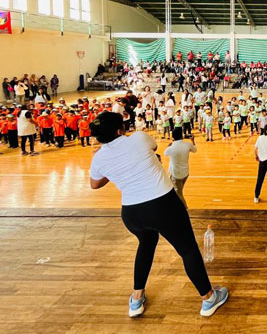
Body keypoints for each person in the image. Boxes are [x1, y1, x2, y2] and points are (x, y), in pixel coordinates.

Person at [88, 112, 228, 318]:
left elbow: (95, 184)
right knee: (187, 249)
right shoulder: (138, 138)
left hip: (132, 213)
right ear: (120, 130)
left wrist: (116, 168)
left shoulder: (99, 157)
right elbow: (153, 148)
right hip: (164, 204)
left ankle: (136, 299)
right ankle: (209, 299)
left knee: (146, 244)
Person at [164, 127, 197, 208]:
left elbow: (165, 153)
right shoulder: (187, 145)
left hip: (176, 174)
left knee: (178, 193)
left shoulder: (171, 148)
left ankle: (185, 208)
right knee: (179, 191)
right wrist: (192, 141)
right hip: (185, 173)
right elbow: (195, 149)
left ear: (173, 137)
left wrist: (169, 145)